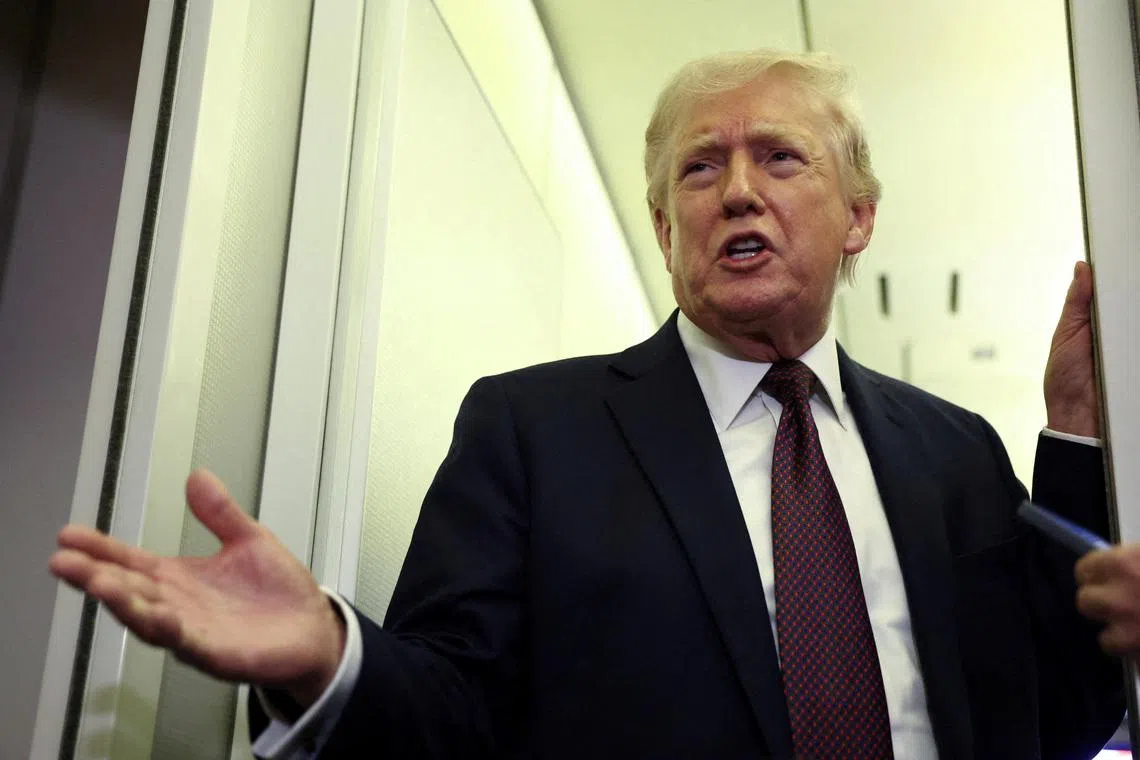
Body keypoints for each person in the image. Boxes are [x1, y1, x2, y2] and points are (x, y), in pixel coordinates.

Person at [50, 50, 1125, 759]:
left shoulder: (957, 453)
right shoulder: (533, 432)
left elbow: (1054, 714)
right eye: (700, 169)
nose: (738, 189)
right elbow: (457, 713)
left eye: (779, 157)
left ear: (858, 218)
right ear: (665, 231)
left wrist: (1076, 428)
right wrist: (334, 660)